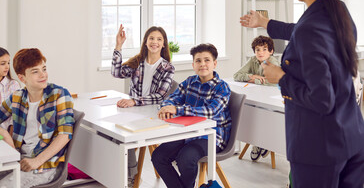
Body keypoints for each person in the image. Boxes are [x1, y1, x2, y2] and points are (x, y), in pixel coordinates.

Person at [240, 0, 364, 188]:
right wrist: (264, 22)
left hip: (319, 147)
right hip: (352, 137)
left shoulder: (312, 27)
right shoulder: (339, 12)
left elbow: (321, 99)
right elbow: (303, 31)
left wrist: (281, 77)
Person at [151, 43, 231, 188]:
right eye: (198, 61)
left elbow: (211, 111)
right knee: (158, 156)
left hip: (212, 136)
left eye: (207, 60)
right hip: (187, 132)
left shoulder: (222, 87)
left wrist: (178, 110)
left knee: (186, 158)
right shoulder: (189, 82)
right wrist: (166, 107)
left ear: (215, 63)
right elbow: (171, 99)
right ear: (193, 64)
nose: (202, 64)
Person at [0, 48, 75, 188]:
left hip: (45, 165)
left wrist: (36, 161)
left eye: (44, 69)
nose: (43, 75)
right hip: (19, 158)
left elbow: (65, 134)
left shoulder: (59, 94)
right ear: (22, 78)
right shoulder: (17, 97)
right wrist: (5, 134)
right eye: (35, 71)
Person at [111, 25, 175, 185]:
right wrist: (118, 46)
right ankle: (115, 174)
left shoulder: (167, 67)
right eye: (151, 38)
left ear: (164, 44)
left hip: (153, 114)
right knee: (111, 133)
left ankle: (130, 177)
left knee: (126, 136)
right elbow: (116, 72)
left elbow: (159, 96)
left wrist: (134, 101)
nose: (155, 42)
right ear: (145, 42)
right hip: (132, 112)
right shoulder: (137, 62)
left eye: (159, 39)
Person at [233, 35, 279, 161]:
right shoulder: (253, 60)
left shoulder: (272, 62)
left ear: (271, 51)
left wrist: (256, 81)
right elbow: (237, 75)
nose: (260, 53)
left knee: (262, 113)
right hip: (257, 95)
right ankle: (257, 142)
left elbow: (275, 82)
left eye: (264, 49)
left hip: (271, 98)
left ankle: (263, 142)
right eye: (258, 49)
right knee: (249, 110)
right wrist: (252, 77)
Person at [0, 47, 20, 131]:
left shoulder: (13, 85)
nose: (7, 67)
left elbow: (15, 115)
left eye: (8, 63)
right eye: (3, 63)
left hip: (4, 131)